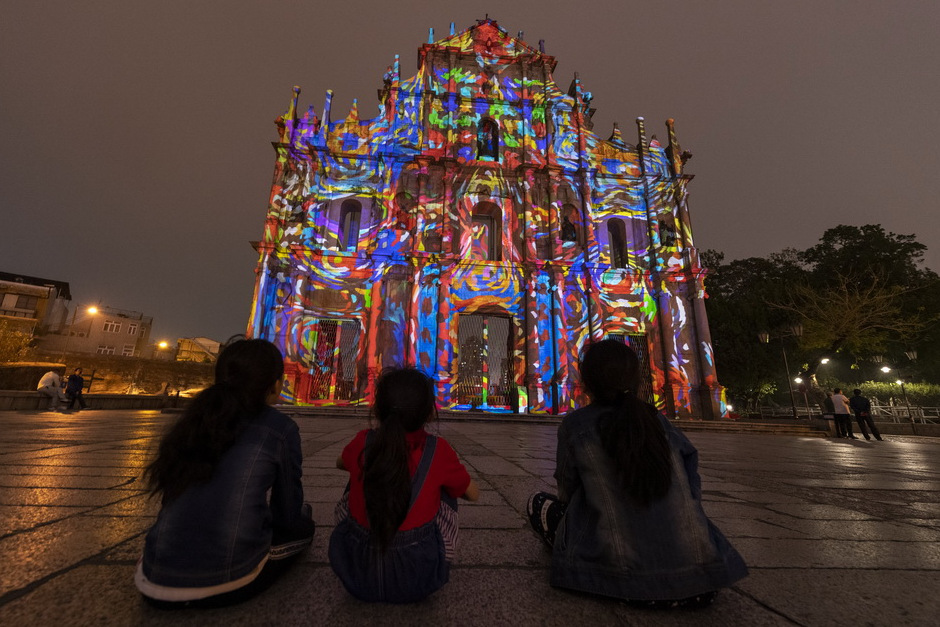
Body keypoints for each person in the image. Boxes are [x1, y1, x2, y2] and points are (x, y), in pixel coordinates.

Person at [527, 339, 747, 608]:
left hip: (615, 580)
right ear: (636, 378)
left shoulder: (576, 425)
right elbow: (692, 486)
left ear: (586, 382)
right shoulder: (657, 421)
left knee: (539, 503)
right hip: (699, 583)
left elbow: (567, 493)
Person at [135, 338, 315, 608]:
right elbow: (287, 513)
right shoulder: (279, 427)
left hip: (155, 580)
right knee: (304, 523)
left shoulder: (193, 422)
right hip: (230, 581)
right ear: (276, 385)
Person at [329, 368, 480, 603]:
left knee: (361, 471)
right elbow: (473, 494)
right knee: (447, 488)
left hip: (357, 575)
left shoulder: (363, 441)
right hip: (418, 578)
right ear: (430, 413)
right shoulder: (438, 450)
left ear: (378, 409)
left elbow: (340, 463)